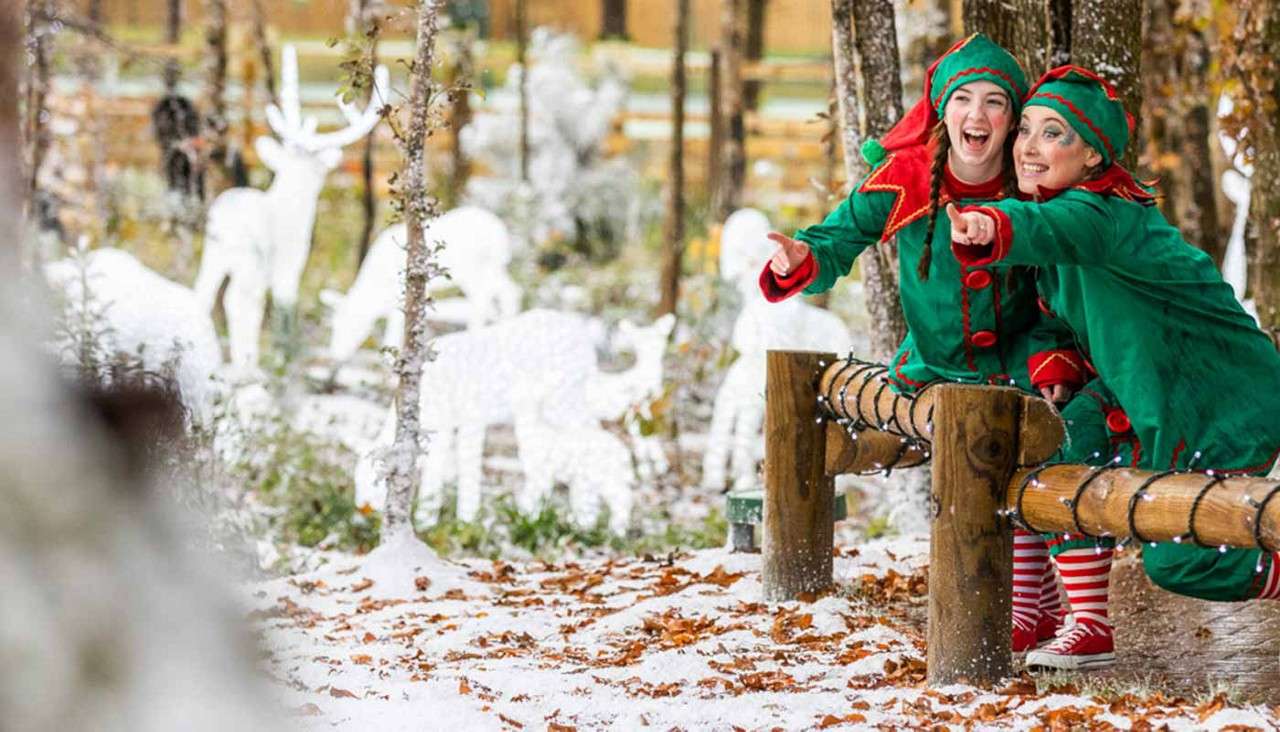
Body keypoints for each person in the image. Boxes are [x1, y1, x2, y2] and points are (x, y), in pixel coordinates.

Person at [948, 65, 1280, 671]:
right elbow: (1067, 306)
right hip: (1144, 390)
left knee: (1179, 555)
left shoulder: (1104, 216)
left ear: (1095, 155)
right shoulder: (1065, 231)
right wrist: (1061, 360)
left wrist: (991, 224)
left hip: (1217, 397)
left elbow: (1049, 228)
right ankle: (1079, 622)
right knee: (1054, 444)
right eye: (1025, 129)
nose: (1028, 146)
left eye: (1055, 134)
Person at [760, 34, 1082, 653]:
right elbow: (836, 239)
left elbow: (1059, 287)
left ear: (1013, 118)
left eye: (994, 102)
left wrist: (1053, 353)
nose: (977, 115)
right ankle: (1025, 607)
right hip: (936, 368)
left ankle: (1034, 608)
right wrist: (801, 257)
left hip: (1019, 359)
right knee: (981, 462)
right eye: (962, 99)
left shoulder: (1031, 181)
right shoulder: (908, 178)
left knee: (1036, 453)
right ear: (942, 112)